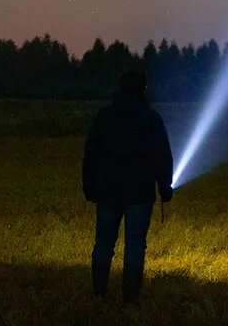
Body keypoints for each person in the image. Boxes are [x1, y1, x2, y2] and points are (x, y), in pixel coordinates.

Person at [82, 68, 174, 304]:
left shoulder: (104, 116)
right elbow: (162, 156)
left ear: (120, 88)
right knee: (134, 245)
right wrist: (165, 186)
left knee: (103, 243)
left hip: (107, 190)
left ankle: (99, 295)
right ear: (144, 89)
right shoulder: (151, 119)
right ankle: (130, 301)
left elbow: (91, 153)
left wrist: (89, 187)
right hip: (140, 193)